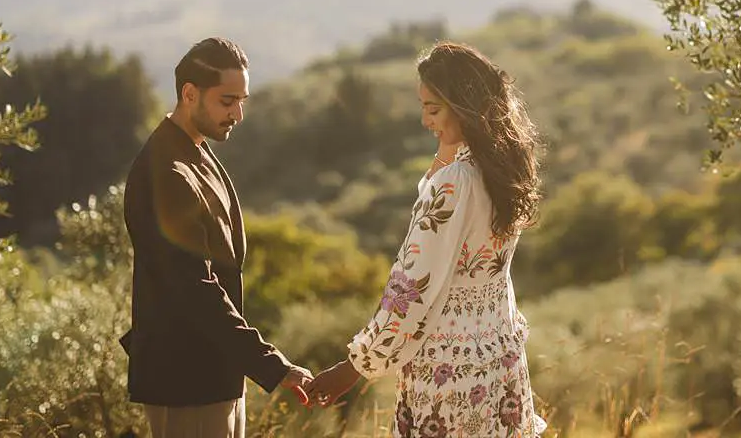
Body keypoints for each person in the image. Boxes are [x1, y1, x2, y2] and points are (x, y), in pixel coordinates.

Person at [307, 41, 547, 437]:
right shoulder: (504, 172)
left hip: (448, 376)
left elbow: (409, 291)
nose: (424, 121)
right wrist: (447, 145)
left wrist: (354, 368)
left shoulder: (455, 183)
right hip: (500, 361)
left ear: (463, 106)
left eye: (432, 109)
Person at [121, 36, 313, 438]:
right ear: (190, 94)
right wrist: (272, 365)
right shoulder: (167, 173)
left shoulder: (196, 152)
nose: (238, 114)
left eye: (242, 100)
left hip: (215, 376)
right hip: (184, 383)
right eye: (228, 101)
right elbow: (195, 288)